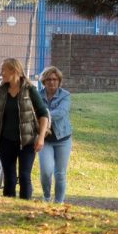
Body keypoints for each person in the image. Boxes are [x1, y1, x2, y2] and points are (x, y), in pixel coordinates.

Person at [0, 58, 50, 200]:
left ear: (14, 71)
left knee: (24, 176)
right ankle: (8, 208)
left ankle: (25, 208)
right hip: (5, 141)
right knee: (9, 177)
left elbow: (43, 114)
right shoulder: (0, 92)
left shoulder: (29, 90)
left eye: (3, 70)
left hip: (27, 141)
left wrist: (41, 138)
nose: (0, 73)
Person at [38, 66, 73, 204]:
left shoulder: (65, 95)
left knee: (60, 174)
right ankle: (46, 197)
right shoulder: (37, 95)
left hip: (62, 138)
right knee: (46, 171)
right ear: (44, 81)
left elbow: (61, 112)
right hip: (44, 138)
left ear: (59, 81)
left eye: (55, 79)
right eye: (49, 79)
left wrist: (43, 115)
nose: (52, 82)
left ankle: (59, 202)